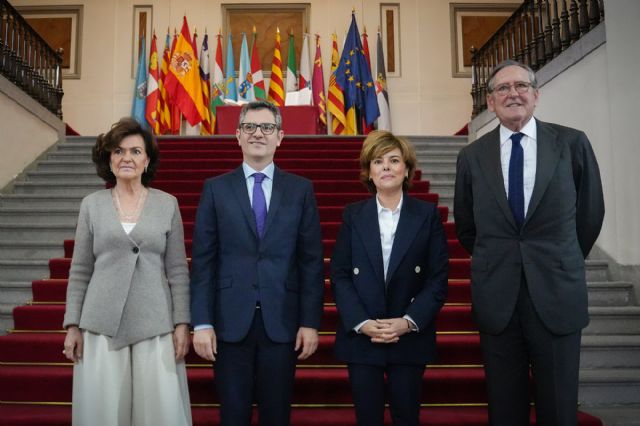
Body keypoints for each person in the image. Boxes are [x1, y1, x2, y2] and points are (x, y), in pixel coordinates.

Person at [454, 59, 605, 426]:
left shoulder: (571, 143)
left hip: (556, 291)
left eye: (521, 86)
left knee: (558, 405)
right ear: (490, 102)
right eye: (502, 89)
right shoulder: (471, 156)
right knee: (505, 406)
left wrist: (559, 258)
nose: (513, 94)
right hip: (498, 297)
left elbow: (589, 213)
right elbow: (467, 226)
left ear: (536, 95)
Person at [189, 100, 325, 426]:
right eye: (250, 127)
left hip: (282, 323)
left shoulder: (301, 190)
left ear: (280, 136)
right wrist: (203, 323)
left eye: (267, 127)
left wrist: (310, 322)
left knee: (276, 415)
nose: (258, 134)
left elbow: (310, 262)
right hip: (229, 323)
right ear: (237, 136)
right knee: (233, 415)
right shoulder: (215, 189)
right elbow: (204, 262)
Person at [62, 117, 192, 425]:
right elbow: (80, 269)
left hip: (155, 323)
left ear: (147, 159)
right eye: (118, 151)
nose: (127, 158)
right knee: (104, 412)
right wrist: (72, 325)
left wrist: (181, 323)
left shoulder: (167, 204)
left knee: (157, 412)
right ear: (108, 158)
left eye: (135, 151)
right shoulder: (91, 205)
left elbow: (177, 271)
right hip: (101, 323)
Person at [330, 131, 449, 426]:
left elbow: (438, 277)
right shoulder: (352, 215)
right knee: (367, 418)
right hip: (362, 335)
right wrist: (362, 323)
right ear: (369, 172)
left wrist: (408, 322)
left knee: (406, 416)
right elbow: (340, 274)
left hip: (408, 336)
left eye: (394, 160)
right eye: (378, 161)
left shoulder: (427, 215)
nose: (386, 167)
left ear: (406, 169)